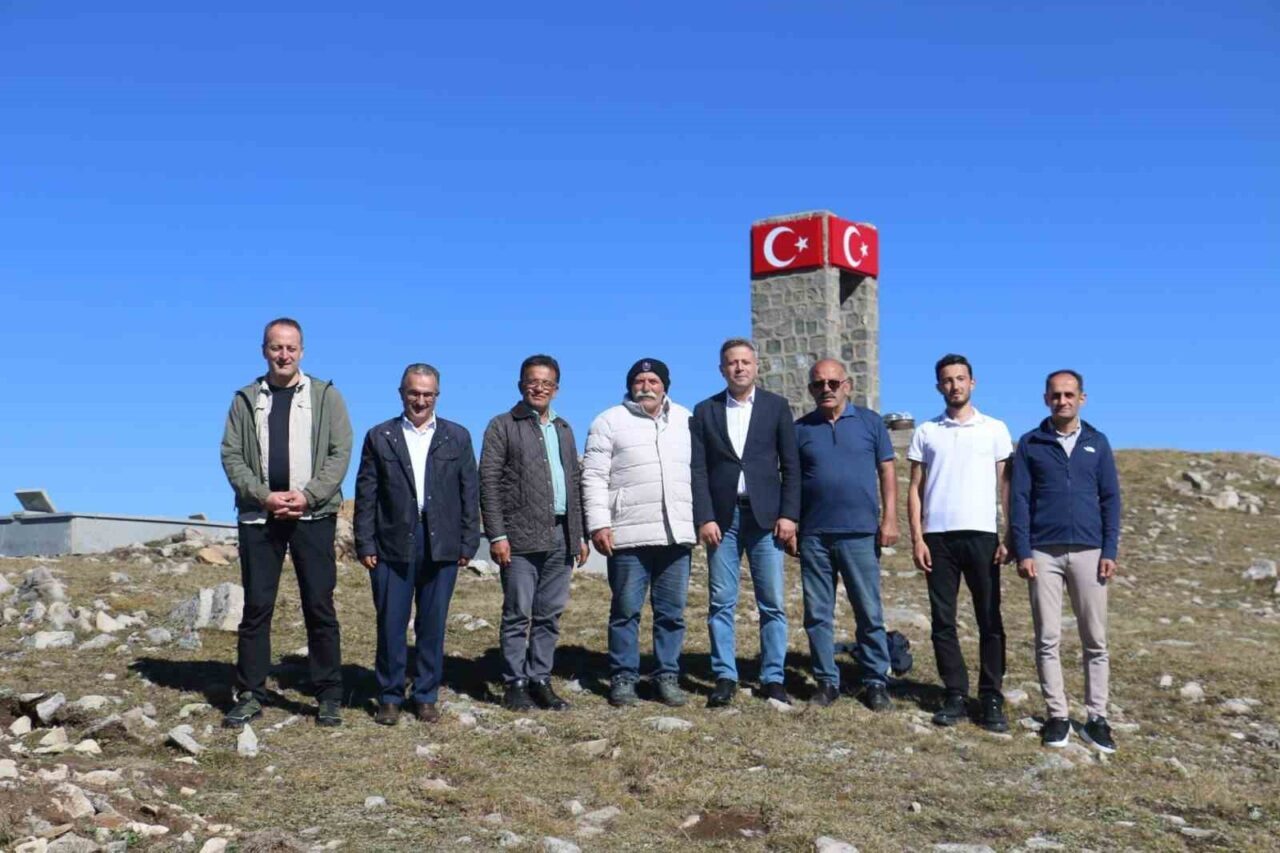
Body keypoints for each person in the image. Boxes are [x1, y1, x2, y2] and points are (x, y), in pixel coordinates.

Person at [219, 317, 352, 728]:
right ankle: (250, 693)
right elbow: (231, 456)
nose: (284, 355)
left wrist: (309, 495)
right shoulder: (245, 399)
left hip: (313, 515)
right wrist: (264, 496)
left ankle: (328, 695)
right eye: (276, 347)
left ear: (302, 351)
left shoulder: (326, 396)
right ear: (264, 350)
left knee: (319, 605)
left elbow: (340, 452)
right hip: (260, 517)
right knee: (257, 607)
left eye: (291, 348)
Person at [353, 363, 479, 725]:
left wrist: (468, 541)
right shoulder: (380, 436)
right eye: (414, 393)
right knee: (391, 623)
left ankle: (425, 695)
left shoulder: (457, 437)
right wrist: (365, 543)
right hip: (391, 543)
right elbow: (366, 493)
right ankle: (390, 696)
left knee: (433, 623)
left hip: (442, 543)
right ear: (401, 393)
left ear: (437, 396)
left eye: (427, 394)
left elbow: (469, 492)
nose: (420, 401)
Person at [1011, 369, 1121, 754]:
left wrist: (1109, 550)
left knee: (1095, 639)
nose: (1063, 401)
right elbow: (1019, 499)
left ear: (1082, 398)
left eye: (1069, 394)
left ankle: (1097, 718)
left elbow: (1110, 499)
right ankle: (1057, 716)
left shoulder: (1097, 443)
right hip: (1043, 551)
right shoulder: (1031, 443)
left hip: (1090, 551)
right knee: (1047, 637)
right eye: (1056, 395)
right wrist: (1023, 550)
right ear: (1046, 399)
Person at [906, 354, 1013, 732]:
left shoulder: (995, 429)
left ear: (972, 382)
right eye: (948, 380)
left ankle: (991, 696)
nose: (955, 385)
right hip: (938, 538)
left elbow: (1006, 485)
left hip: (983, 535)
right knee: (943, 620)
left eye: (961, 378)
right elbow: (915, 488)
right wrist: (917, 537)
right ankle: (954, 693)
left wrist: (1010, 533)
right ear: (939, 386)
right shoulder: (926, 431)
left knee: (990, 618)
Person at [691, 338, 800, 707]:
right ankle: (725, 676)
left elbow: (791, 465)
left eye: (745, 362)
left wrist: (789, 514)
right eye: (732, 362)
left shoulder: (776, 406)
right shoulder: (705, 411)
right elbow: (698, 470)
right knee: (721, 601)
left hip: (767, 518)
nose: (739, 367)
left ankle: (773, 678)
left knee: (772, 602)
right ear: (722, 369)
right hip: (723, 520)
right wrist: (705, 516)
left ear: (756, 366)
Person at [582, 358, 695, 707]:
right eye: (639, 381)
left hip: (675, 533)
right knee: (626, 611)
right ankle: (623, 678)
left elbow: (698, 472)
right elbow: (593, 476)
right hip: (627, 534)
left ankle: (666, 676)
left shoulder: (686, 420)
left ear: (665, 386)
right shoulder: (608, 421)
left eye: (653, 381)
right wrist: (599, 523)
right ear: (630, 386)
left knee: (671, 614)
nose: (646, 386)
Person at [480, 354, 589, 712]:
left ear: (556, 389)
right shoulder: (502, 426)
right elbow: (488, 482)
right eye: (532, 381)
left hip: (561, 535)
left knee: (549, 614)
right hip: (519, 537)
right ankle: (515, 683)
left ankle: (540, 679)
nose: (539, 388)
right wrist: (497, 535)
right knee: (517, 613)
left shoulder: (564, 429)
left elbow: (575, 482)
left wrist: (580, 534)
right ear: (520, 385)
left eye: (546, 383)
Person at [794, 359, 899, 710]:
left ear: (847, 385)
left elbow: (887, 470)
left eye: (833, 383)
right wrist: (791, 523)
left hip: (860, 533)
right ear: (810, 389)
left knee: (868, 611)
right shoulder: (800, 429)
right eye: (818, 384)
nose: (826, 389)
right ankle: (827, 681)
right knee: (817, 613)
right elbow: (791, 480)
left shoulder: (870, 422)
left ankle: (875, 681)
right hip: (814, 535)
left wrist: (890, 519)